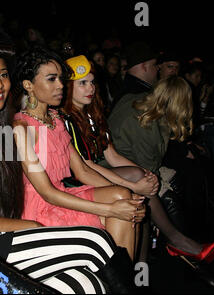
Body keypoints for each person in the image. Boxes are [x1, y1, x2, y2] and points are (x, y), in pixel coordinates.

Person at [0, 20, 137, 294]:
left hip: (3, 238)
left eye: (3, 75)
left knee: (86, 285)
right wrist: (30, 225)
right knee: (94, 242)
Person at [60, 55, 214, 276]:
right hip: (76, 180)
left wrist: (146, 175)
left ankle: (139, 270)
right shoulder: (64, 118)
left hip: (100, 171)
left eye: (93, 82)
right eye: (83, 83)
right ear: (67, 86)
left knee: (141, 190)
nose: (91, 88)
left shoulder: (92, 114)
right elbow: (83, 167)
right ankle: (174, 240)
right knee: (136, 181)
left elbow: (112, 155)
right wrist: (133, 179)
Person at [12, 46, 145, 260]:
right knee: (120, 211)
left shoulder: (55, 119)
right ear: (29, 85)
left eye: (61, 79)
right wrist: (110, 210)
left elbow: (82, 170)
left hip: (64, 194)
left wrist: (128, 193)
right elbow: (47, 193)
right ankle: (121, 282)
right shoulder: (21, 128)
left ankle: (121, 280)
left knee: (124, 198)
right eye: (52, 79)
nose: (61, 86)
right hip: (42, 207)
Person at [107, 74, 214, 287]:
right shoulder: (145, 123)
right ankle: (173, 247)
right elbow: (149, 165)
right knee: (152, 196)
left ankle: (166, 260)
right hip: (115, 168)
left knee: (185, 174)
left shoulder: (141, 100)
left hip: (128, 164)